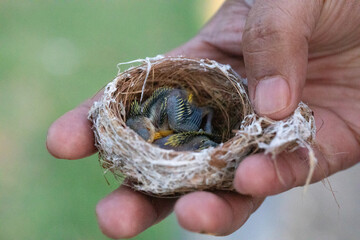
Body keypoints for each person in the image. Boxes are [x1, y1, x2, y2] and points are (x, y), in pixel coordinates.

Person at [46, 0, 360, 238]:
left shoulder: (171, 122)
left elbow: (197, 137)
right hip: (189, 127)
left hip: (196, 130)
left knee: (239, 185)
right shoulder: (155, 118)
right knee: (221, 200)